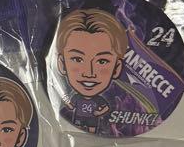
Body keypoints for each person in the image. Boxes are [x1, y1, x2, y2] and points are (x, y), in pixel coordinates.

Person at [54, 7, 128, 136]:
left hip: (92, 123)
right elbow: (69, 104)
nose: (89, 73)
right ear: (61, 64)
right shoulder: (67, 98)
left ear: (116, 68)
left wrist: (99, 113)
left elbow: (105, 107)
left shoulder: (100, 100)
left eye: (102, 61)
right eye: (77, 59)